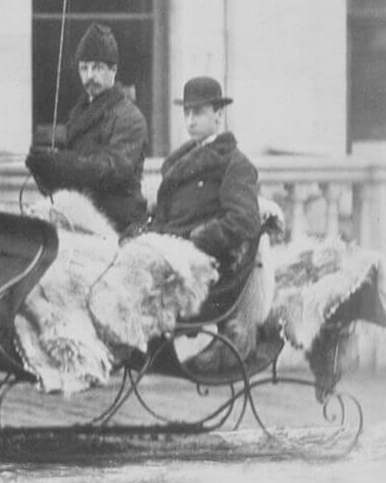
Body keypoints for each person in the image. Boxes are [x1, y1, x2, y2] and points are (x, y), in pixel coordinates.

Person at [147, 76, 263, 370]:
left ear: (218, 116)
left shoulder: (234, 164)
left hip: (204, 265)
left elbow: (244, 220)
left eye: (198, 112)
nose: (190, 120)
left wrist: (200, 237)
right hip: (169, 248)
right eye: (187, 112)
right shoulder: (181, 161)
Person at [24, 22, 149, 235]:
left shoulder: (129, 117)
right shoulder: (78, 114)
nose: (90, 75)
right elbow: (66, 182)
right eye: (84, 68)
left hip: (116, 222)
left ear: (113, 70)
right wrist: (44, 168)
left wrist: (63, 164)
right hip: (79, 217)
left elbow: (111, 169)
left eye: (97, 67)